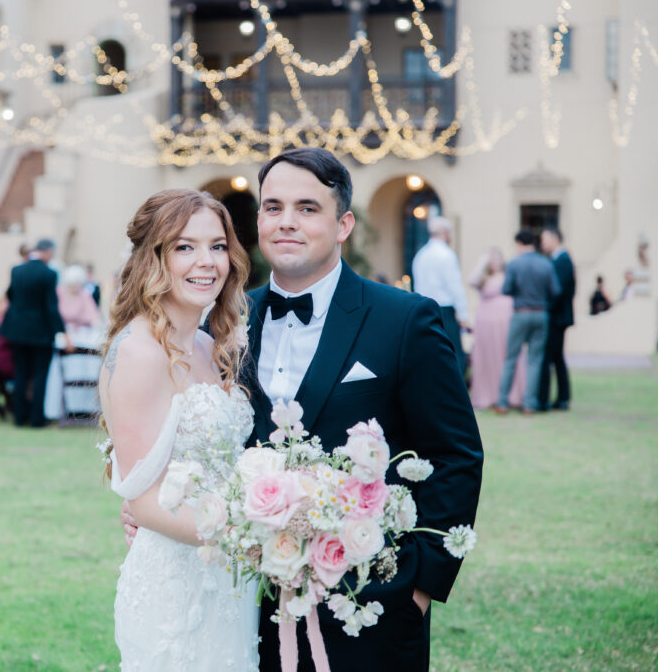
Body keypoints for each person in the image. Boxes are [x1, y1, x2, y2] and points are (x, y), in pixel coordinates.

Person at [121, 149, 483, 671]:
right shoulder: (220, 324)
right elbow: (179, 441)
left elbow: (456, 454)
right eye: (273, 207)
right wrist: (146, 504)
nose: (286, 221)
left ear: (343, 225)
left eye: (308, 208)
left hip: (369, 603)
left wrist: (421, 587)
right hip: (243, 605)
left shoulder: (406, 320)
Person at [100, 189, 258, 668]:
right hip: (173, 588)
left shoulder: (213, 348)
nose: (205, 262)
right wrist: (254, 538)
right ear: (155, 258)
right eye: (184, 247)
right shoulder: (138, 350)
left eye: (216, 246)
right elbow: (145, 503)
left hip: (228, 582)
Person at [0, 238, 72, 427]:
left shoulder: (16, 270)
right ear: (48, 252)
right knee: (40, 375)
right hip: (40, 333)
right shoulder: (49, 274)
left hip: (17, 331)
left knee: (21, 374)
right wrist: (62, 332)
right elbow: (51, 307)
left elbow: (10, 295)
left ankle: (19, 416)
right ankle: (36, 419)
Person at [493, 229, 560, 415]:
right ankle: (529, 404)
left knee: (511, 358)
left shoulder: (514, 263)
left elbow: (506, 289)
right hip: (541, 314)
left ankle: (502, 402)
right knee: (535, 361)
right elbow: (555, 290)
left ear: (519, 243)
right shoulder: (546, 263)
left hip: (520, 313)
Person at [467, 248, 525, 409]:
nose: (494, 262)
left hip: (506, 321)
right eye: (491, 259)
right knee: (486, 357)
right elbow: (471, 281)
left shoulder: (508, 274)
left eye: (496, 258)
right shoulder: (483, 278)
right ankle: (487, 395)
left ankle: (511, 396)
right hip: (485, 323)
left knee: (507, 355)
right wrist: (482, 262)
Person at [412, 216, 470, 375]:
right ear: (445, 233)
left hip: (423, 309)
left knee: (430, 352)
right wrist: (464, 314)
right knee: (455, 353)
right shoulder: (447, 255)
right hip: (444, 309)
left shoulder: (420, 255)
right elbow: (454, 286)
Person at [538, 227, 576, 411]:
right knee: (556, 357)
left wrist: (545, 308)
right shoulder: (557, 260)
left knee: (550, 357)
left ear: (555, 239)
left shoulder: (563, 261)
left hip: (557, 317)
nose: (542, 244)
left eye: (544, 239)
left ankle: (548, 399)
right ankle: (561, 398)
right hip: (556, 316)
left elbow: (558, 292)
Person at [56, 264, 101, 332]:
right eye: (72, 283)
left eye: (78, 283)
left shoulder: (84, 295)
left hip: (79, 333)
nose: (75, 286)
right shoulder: (59, 292)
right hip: (60, 330)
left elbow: (94, 316)